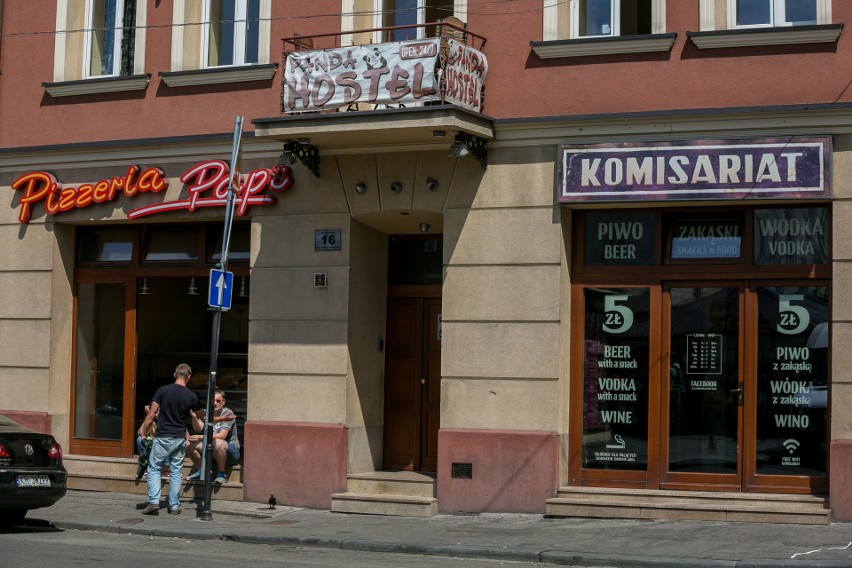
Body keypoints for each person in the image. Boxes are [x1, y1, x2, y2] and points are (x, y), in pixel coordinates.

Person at [138, 363, 199, 515]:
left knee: (154, 469)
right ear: (189, 377)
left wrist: (143, 432)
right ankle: (174, 506)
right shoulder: (191, 396)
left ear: (174, 374)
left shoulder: (163, 390)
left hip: (163, 435)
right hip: (179, 437)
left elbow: (151, 415)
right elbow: (197, 417)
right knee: (176, 471)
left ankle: (153, 502)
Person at [186, 389, 240, 485]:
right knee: (188, 443)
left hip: (230, 454)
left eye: (218, 401)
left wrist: (200, 437)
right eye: (213, 401)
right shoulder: (206, 412)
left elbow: (222, 435)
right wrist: (194, 418)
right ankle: (202, 470)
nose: (215, 403)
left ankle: (221, 473)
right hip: (212, 452)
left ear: (223, 402)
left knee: (217, 441)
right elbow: (198, 429)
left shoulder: (227, 413)